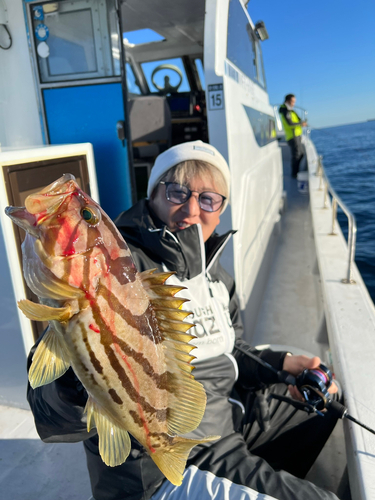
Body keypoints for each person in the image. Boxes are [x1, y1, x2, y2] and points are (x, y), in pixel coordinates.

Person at [27, 140, 340, 500]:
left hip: (224, 423)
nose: (192, 210)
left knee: (324, 407)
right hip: (162, 467)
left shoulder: (216, 273)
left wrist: (281, 364)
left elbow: (229, 347)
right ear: (153, 196)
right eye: (177, 192)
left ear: (221, 210)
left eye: (208, 199)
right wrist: (81, 378)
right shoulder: (123, 271)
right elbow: (47, 416)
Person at [279, 94, 307, 178]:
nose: (293, 103)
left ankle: (296, 172)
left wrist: (301, 123)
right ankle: (294, 174)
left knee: (300, 154)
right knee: (296, 155)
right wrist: (301, 123)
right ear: (287, 101)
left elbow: (296, 120)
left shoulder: (290, 110)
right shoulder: (285, 111)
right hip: (292, 136)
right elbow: (290, 123)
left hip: (296, 135)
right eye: (292, 101)